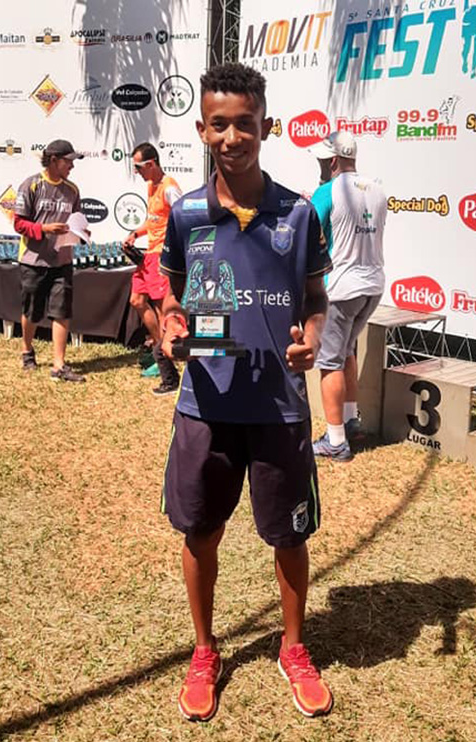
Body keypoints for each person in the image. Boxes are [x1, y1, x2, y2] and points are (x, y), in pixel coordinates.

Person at [159, 63, 334, 722]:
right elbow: (173, 299)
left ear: (267, 127)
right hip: (207, 402)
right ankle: (204, 651)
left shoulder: (297, 214)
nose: (232, 137)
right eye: (219, 124)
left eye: (245, 124)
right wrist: (173, 327)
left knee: (288, 536)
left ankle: (293, 649)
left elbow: (314, 297)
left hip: (279, 408)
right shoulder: (186, 215)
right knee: (201, 532)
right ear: (202, 128)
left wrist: (312, 337)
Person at [308, 131, 387, 462]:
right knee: (346, 353)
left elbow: (309, 235)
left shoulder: (327, 191)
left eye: (323, 161)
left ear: (334, 160)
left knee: (329, 363)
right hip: (373, 285)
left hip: (341, 287)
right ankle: (351, 422)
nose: (321, 166)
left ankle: (336, 440)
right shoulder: (378, 189)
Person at [13, 139, 86, 382]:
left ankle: (59, 365)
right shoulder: (31, 185)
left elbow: (75, 221)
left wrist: (81, 233)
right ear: (53, 160)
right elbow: (18, 223)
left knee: (62, 311)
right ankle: (26, 350)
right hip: (33, 260)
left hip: (62, 260)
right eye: (69, 161)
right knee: (32, 312)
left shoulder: (73, 190)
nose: (72, 167)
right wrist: (44, 228)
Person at [123, 142, 182, 395]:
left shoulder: (170, 187)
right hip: (149, 255)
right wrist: (135, 233)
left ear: (151, 163)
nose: (136, 172)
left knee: (161, 311)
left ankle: (167, 371)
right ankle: (161, 347)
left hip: (162, 258)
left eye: (138, 167)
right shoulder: (151, 186)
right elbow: (155, 220)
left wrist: (174, 254)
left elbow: (181, 219)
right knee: (137, 300)